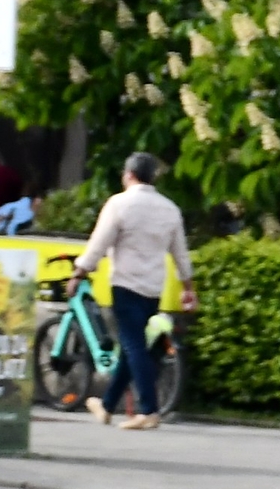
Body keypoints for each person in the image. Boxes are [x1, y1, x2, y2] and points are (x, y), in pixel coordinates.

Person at [71, 152, 198, 430]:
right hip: (154, 289)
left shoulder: (119, 204)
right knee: (133, 350)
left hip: (126, 285)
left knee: (133, 346)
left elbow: (98, 244)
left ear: (128, 174)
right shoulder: (169, 209)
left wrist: (79, 272)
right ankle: (106, 405)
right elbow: (181, 254)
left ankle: (149, 410)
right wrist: (188, 287)